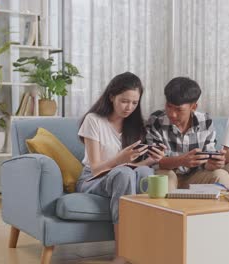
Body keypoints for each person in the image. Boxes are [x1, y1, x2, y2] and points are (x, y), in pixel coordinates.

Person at [75, 72, 177, 264]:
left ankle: (149, 248)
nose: (129, 107)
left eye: (134, 103)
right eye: (124, 101)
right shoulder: (94, 120)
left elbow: (134, 167)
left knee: (145, 172)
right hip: (93, 179)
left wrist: (151, 160)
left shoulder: (135, 124)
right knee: (123, 173)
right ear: (112, 96)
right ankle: (122, 254)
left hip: (122, 175)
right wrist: (119, 159)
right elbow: (96, 168)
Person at [146, 77, 229, 188]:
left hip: (195, 177)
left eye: (178, 109)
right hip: (167, 173)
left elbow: (207, 161)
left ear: (193, 107)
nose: (172, 114)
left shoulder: (205, 122)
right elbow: (154, 162)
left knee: (221, 175)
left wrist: (213, 164)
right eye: (169, 106)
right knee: (167, 178)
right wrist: (181, 161)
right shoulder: (156, 120)